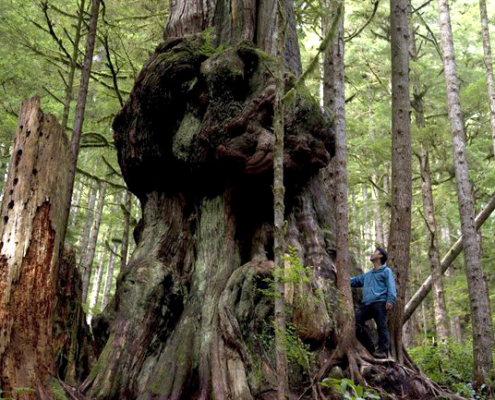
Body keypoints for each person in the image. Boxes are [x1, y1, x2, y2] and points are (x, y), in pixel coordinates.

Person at [350, 247, 396, 359]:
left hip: (380, 303)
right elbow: (355, 281)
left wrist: (390, 300)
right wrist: (339, 273)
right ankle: (371, 347)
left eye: (375, 252)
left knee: (381, 326)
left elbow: (391, 286)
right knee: (354, 322)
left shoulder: (386, 271)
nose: (372, 253)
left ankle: (383, 351)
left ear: (380, 256)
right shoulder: (368, 274)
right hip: (366, 304)